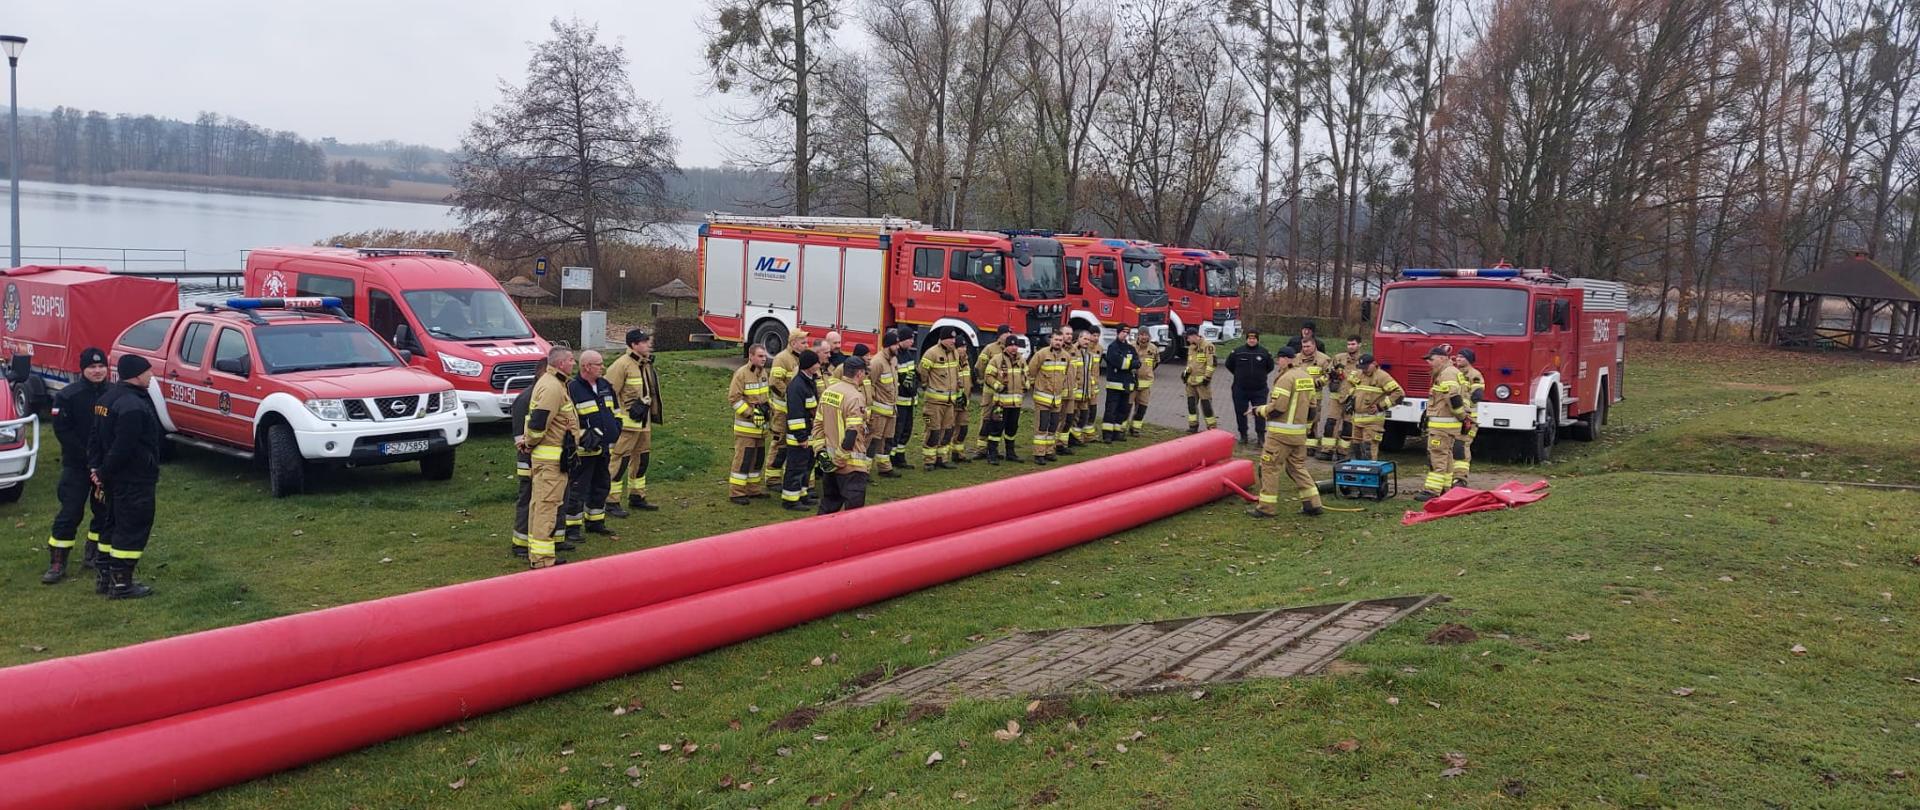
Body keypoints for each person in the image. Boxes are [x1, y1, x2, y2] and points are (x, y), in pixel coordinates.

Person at [94, 354, 164, 597]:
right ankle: (122, 584)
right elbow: (123, 447)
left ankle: (105, 578)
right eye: (148, 371)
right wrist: (104, 471)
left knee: (111, 524)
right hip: (133, 478)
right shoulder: (133, 406)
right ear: (136, 374)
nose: (151, 375)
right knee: (132, 527)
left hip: (113, 478)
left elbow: (96, 439)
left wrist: (98, 470)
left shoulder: (107, 399)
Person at [43, 348, 111, 585]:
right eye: (92, 367)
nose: (97, 371)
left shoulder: (114, 394)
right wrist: (88, 458)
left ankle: (94, 553)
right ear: (83, 369)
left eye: (101, 366)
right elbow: (63, 432)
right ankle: (58, 560)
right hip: (77, 465)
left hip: (105, 467)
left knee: (103, 511)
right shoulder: (68, 396)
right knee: (71, 512)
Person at [519, 347, 580, 568]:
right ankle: (543, 560)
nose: (574, 363)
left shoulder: (554, 383)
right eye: (571, 360)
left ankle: (538, 554)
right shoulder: (553, 387)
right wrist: (530, 442)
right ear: (560, 363)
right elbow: (538, 422)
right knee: (547, 506)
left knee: (541, 504)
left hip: (551, 458)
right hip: (551, 460)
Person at [1249, 346, 1323, 519]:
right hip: (1299, 435)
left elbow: (1278, 408)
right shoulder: (1306, 377)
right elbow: (1313, 410)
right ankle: (1313, 504)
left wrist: (1258, 410)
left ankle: (1266, 508)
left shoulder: (1285, 379)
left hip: (1280, 435)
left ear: (1288, 359)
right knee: (1297, 468)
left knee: (1269, 467)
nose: (1278, 362)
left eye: (1280, 358)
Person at [605, 329, 662, 512]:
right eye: (644, 341)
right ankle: (610, 501)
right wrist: (615, 420)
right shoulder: (621, 365)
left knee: (641, 459)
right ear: (633, 345)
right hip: (627, 425)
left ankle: (637, 496)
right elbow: (608, 394)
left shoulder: (644, 363)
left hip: (643, 423)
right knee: (619, 461)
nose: (648, 344)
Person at [565, 350, 620, 537]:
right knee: (577, 489)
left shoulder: (605, 386)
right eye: (599, 364)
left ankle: (595, 522)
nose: (602, 367)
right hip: (583, 452)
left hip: (603, 448)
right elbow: (567, 420)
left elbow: (616, 412)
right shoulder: (572, 388)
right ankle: (572, 527)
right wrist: (583, 436)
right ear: (586, 367)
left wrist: (616, 429)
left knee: (601, 485)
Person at [509, 356, 552, 558]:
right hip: (528, 461)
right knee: (527, 500)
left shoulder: (542, 394)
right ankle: (520, 543)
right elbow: (520, 436)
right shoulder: (526, 398)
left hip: (543, 459)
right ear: (541, 373)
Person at [818, 357, 873, 514]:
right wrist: (840, 458)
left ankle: (819, 537)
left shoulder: (829, 392)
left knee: (828, 506)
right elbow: (852, 432)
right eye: (864, 373)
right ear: (859, 373)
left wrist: (820, 451)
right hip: (850, 464)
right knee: (854, 513)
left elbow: (818, 425)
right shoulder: (855, 397)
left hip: (830, 461)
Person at [726, 345, 773, 504]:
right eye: (760, 356)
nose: (764, 358)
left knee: (757, 460)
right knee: (743, 460)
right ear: (750, 356)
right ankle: (737, 493)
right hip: (746, 428)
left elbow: (764, 397)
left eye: (764, 356)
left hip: (760, 429)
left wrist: (767, 410)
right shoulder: (741, 374)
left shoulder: (763, 373)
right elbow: (734, 399)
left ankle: (753, 489)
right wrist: (752, 414)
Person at [1417, 345, 1465, 501]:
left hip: (1442, 426)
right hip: (1447, 425)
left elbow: (1453, 397)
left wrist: (1461, 416)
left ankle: (1432, 491)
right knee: (1446, 457)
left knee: (1437, 456)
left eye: (1431, 359)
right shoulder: (1449, 372)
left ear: (1443, 358)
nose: (1429, 363)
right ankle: (1446, 488)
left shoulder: (1447, 374)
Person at [765, 328, 812, 479]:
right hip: (782, 411)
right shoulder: (782, 358)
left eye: (807, 342)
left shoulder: (801, 358)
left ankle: (788, 475)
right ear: (793, 343)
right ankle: (772, 478)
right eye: (803, 342)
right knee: (780, 444)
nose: (807, 345)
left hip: (796, 411)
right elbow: (774, 382)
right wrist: (791, 397)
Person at [780, 351, 823, 510]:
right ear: (810, 365)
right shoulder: (797, 386)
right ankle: (790, 500)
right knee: (795, 467)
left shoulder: (808, 381)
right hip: (799, 436)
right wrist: (801, 437)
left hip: (808, 433)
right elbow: (796, 415)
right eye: (817, 363)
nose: (819, 365)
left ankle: (802, 494)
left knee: (806, 466)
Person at [918, 329, 966, 470]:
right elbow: (922, 372)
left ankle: (942, 458)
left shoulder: (955, 353)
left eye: (954, 339)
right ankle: (929, 461)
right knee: (933, 431)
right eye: (950, 339)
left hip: (950, 402)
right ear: (942, 339)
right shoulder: (931, 353)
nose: (953, 341)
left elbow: (956, 372)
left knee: (947, 431)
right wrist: (927, 385)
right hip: (934, 402)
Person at [1344, 353, 1403, 461]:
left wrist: (1381, 406)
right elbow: (1350, 385)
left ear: (1374, 364)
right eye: (1362, 368)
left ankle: (1370, 473)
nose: (1364, 370)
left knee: (1368, 448)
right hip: (1356, 420)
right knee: (1356, 448)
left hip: (1373, 422)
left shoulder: (1382, 376)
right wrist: (1350, 399)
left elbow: (1399, 394)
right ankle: (1357, 472)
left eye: (1366, 367)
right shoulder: (1359, 374)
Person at [968, 326, 1014, 460]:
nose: (1008, 335)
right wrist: (984, 381)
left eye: (1010, 333)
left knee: (999, 420)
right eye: (1006, 333)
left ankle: (994, 448)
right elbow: (979, 366)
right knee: (986, 419)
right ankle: (981, 449)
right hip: (990, 392)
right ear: (999, 335)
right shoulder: (990, 348)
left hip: (1004, 394)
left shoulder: (1013, 350)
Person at [1027, 332, 1072, 466]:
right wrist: (1035, 385)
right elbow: (1031, 370)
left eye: (1060, 340)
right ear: (1051, 340)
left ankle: (1049, 451)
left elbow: (1065, 375)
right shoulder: (1042, 354)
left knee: (1053, 427)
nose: (1058, 342)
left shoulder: (1066, 356)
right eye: (1056, 339)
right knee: (1041, 427)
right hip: (1042, 398)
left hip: (1056, 399)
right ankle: (1039, 454)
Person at [981, 336, 1028, 463]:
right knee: (996, 429)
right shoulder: (996, 360)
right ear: (1006, 347)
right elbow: (988, 376)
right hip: (1000, 404)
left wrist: (1026, 386)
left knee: (1012, 429)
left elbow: (1026, 375)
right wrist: (998, 386)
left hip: (1015, 404)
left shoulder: (1022, 360)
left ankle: (1010, 453)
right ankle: (992, 455)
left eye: (1016, 345)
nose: (1014, 348)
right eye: (1011, 345)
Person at [1319, 336, 1365, 461]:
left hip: (1352, 399)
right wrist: (1321, 382)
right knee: (1330, 424)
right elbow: (1328, 374)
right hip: (1336, 397)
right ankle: (1327, 451)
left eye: (1353, 344)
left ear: (1359, 345)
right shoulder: (1339, 358)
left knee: (1348, 426)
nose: (1350, 346)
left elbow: (1366, 381)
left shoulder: (1363, 361)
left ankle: (1342, 452)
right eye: (1348, 344)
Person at [864, 330, 902, 478]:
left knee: (887, 440)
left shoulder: (892, 360)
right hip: (879, 412)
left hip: (891, 410)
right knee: (873, 441)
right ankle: (865, 471)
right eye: (896, 344)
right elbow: (869, 384)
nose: (898, 347)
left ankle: (885, 467)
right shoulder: (877, 362)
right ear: (888, 346)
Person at [1225, 330, 1274, 444]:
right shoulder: (1237, 352)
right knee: (1240, 412)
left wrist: (1259, 376)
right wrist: (1239, 375)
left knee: (1260, 413)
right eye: (1249, 338)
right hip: (1240, 389)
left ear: (1257, 340)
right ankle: (1243, 436)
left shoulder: (1264, 352)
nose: (1252, 340)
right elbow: (1229, 365)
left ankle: (1261, 437)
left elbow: (1270, 367)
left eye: (1254, 338)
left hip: (1259, 389)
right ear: (1246, 339)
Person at [1451, 347, 1485, 487]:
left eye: (1462, 357)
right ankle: (1451, 477)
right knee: (1452, 447)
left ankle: (1461, 479)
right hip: (1457, 417)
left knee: (1461, 447)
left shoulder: (1474, 374)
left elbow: (1477, 395)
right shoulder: (1454, 373)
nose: (1458, 359)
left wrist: (1464, 408)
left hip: (1468, 419)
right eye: (1457, 357)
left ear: (1469, 360)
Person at [1100, 325, 1139, 442]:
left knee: (1122, 410)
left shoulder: (1130, 348)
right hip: (1114, 385)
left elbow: (1138, 363)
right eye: (1123, 332)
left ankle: (1117, 433)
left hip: (1127, 385)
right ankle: (1107, 434)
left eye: (1127, 332)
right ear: (1118, 333)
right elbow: (1119, 363)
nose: (1125, 334)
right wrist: (1130, 363)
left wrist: (1129, 363)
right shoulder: (1113, 347)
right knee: (1111, 410)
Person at [888, 330, 918, 472]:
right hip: (900, 401)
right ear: (901, 340)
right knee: (897, 431)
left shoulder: (909, 354)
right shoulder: (896, 356)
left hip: (910, 400)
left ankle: (900, 457)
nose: (912, 342)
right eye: (909, 339)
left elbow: (913, 375)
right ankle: (891, 459)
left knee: (907, 430)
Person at [1182, 327, 1218, 433]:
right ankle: (1193, 426)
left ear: (1194, 336)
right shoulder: (1191, 348)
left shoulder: (1208, 346)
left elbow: (1212, 363)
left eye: (1188, 338)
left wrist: (1207, 377)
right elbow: (1191, 364)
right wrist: (1185, 373)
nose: (1187, 340)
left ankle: (1212, 428)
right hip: (1190, 382)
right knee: (1191, 404)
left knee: (1206, 405)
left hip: (1202, 383)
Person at [1128, 330, 1158, 436]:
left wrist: (1147, 372)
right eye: (1141, 335)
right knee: (1126, 407)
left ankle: (1135, 429)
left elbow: (1156, 362)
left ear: (1149, 336)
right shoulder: (1131, 347)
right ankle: (1121, 429)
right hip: (1132, 383)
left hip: (1145, 385)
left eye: (1146, 335)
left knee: (1142, 408)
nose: (1143, 337)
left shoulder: (1153, 348)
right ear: (1138, 336)